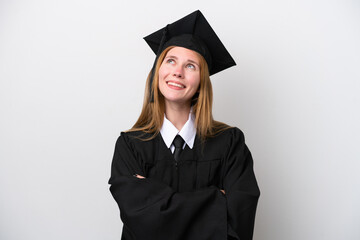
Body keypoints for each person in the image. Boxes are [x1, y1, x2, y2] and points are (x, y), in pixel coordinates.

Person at [109, 10, 260, 240]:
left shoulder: (230, 144)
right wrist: (216, 201)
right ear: (157, 72)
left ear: (201, 83)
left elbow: (238, 225)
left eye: (191, 66)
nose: (177, 72)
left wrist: (157, 204)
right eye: (170, 61)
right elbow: (139, 223)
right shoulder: (130, 146)